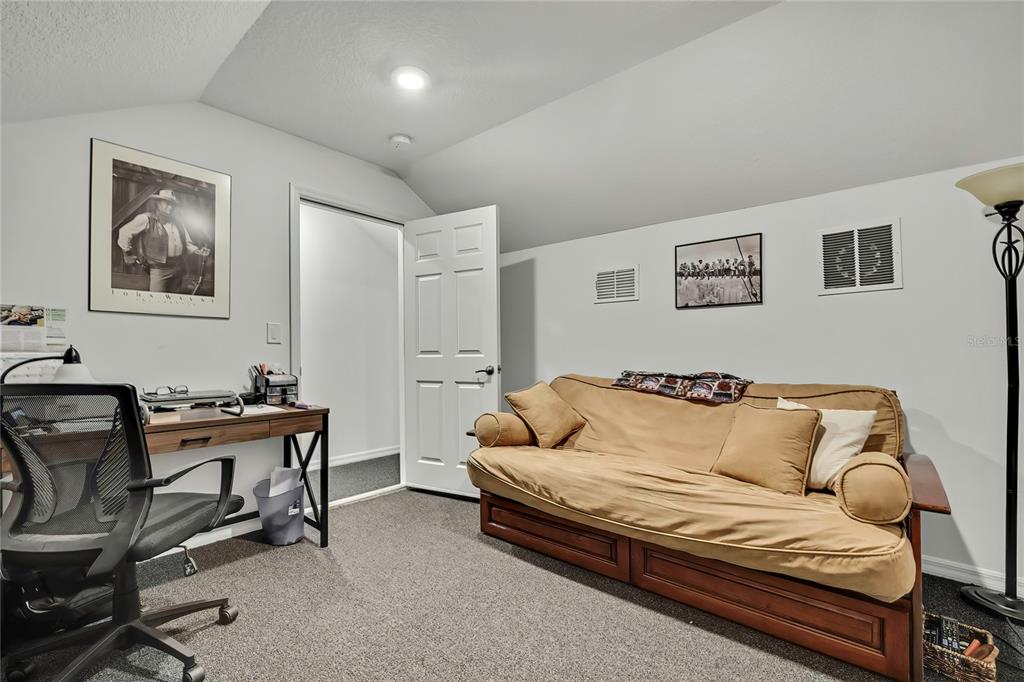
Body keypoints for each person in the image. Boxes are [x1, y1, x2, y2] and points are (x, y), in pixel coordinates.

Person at [117, 190, 210, 293]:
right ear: (158, 203)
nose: (170, 207)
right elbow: (124, 232)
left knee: (174, 299)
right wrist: (127, 254)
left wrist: (199, 251)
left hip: (178, 268)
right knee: (156, 301)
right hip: (159, 270)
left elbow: (187, 243)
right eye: (167, 203)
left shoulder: (179, 223)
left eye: (173, 205)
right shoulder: (146, 218)